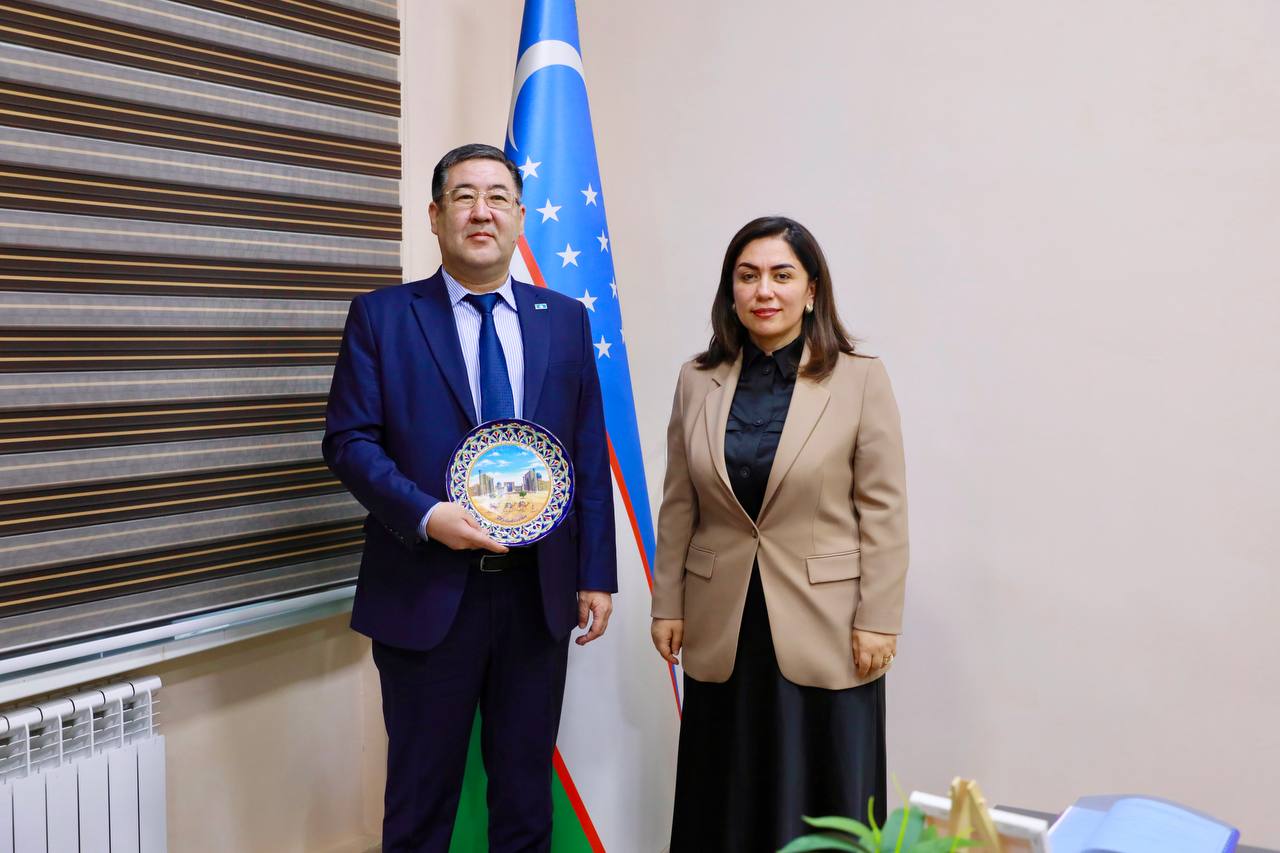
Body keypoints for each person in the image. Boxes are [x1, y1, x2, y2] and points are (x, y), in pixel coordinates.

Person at [323, 143, 617, 852]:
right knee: (420, 806)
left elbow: (586, 451)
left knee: (524, 802)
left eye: (498, 197)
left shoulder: (564, 319)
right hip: (424, 590)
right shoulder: (383, 317)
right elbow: (349, 441)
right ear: (435, 215)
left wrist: (595, 574)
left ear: (520, 216)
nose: (482, 211)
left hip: (535, 594)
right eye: (463, 196)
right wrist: (427, 515)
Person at [650, 216, 909, 851]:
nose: (764, 290)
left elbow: (884, 508)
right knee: (726, 790)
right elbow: (679, 502)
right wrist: (667, 604)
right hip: (722, 620)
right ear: (731, 291)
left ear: (811, 290)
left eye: (781, 275)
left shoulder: (859, 378)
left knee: (824, 791)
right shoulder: (696, 379)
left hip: (828, 624)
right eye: (748, 276)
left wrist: (879, 618)